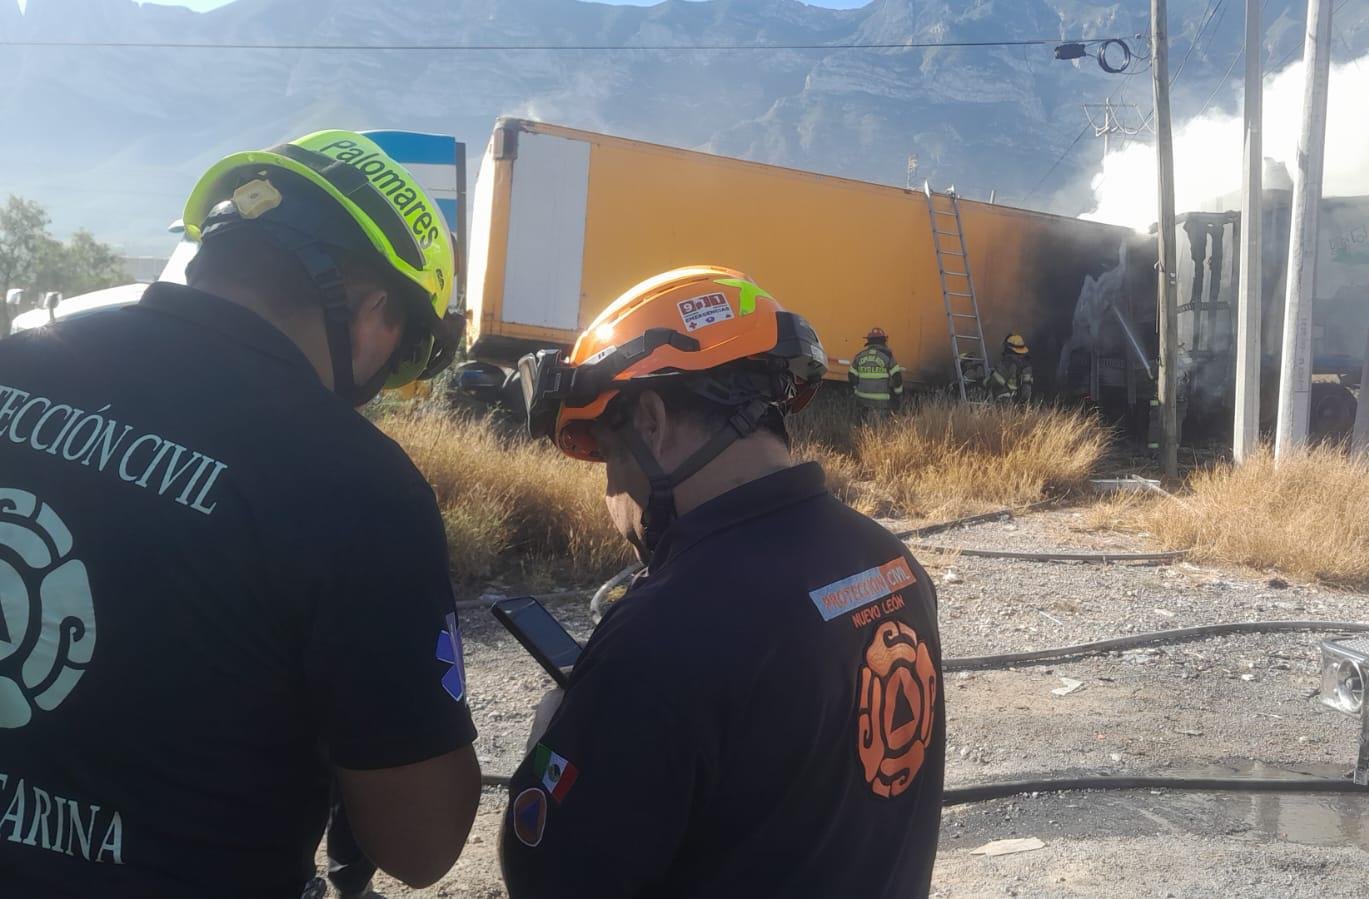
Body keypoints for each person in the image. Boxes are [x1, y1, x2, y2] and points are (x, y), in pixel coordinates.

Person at [0, 130, 481, 898]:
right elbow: (420, 843)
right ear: (375, 312)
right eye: (401, 359)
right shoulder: (356, 482)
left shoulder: (21, 358)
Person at [505, 266, 945, 897]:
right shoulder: (889, 560)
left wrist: (552, 737)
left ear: (651, 419)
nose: (611, 497)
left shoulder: (665, 628)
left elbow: (546, 872)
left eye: (609, 457)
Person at [849, 326, 905, 419]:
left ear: (869, 341)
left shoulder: (860, 356)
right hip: (881, 402)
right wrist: (898, 395)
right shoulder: (888, 357)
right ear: (883, 341)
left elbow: (851, 375)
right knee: (878, 427)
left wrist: (856, 390)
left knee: (862, 426)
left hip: (862, 399)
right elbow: (897, 378)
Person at [988, 331, 1035, 405]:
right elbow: (1026, 390)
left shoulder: (1008, 362)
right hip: (1020, 403)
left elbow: (996, 381)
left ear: (1008, 348)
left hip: (1005, 402)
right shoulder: (1026, 365)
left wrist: (985, 382)